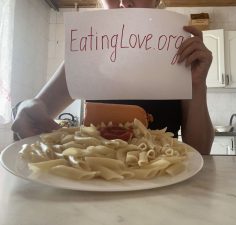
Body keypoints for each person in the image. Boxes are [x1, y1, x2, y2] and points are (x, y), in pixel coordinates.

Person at [11, 0, 215, 155]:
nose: (124, 1)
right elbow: (35, 111)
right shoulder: (87, 53)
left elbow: (201, 150)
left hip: (164, 181)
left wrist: (198, 84)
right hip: (97, 184)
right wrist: (23, 107)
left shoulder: (178, 54)